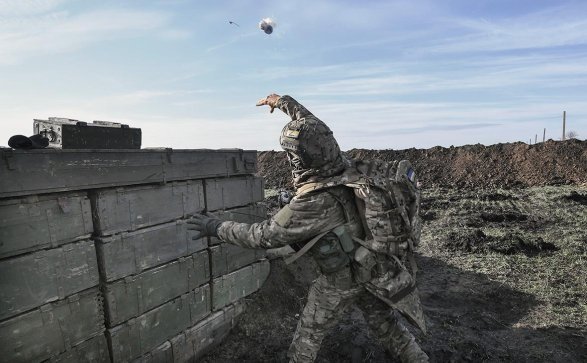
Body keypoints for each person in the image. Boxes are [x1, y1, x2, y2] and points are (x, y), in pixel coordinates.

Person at [188, 94, 429, 362]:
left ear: (299, 159)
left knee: (308, 336)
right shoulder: (347, 165)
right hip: (378, 270)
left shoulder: (315, 201)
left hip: (341, 281)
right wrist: (281, 102)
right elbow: (310, 124)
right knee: (390, 329)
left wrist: (215, 227)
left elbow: (264, 236)